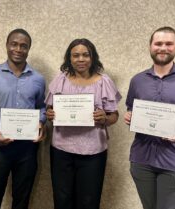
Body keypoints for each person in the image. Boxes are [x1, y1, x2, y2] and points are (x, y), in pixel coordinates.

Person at [124, 26, 175, 209]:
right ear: (150, 46)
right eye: (158, 43)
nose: (163, 48)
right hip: (141, 159)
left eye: (169, 43)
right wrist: (130, 116)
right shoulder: (137, 80)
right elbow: (131, 109)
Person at [45, 38, 121, 209]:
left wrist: (105, 118)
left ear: (92, 57)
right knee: (62, 199)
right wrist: (50, 114)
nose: (81, 59)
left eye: (85, 55)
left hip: (93, 152)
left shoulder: (104, 81)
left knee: (89, 200)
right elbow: (49, 109)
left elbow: (114, 115)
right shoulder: (60, 80)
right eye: (76, 55)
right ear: (69, 58)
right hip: (61, 150)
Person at [0, 28, 46, 209]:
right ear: (7, 45)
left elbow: (42, 108)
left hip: (27, 148)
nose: (18, 49)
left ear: (29, 49)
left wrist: (41, 122)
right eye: (14, 44)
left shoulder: (38, 78)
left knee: (22, 199)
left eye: (24, 46)